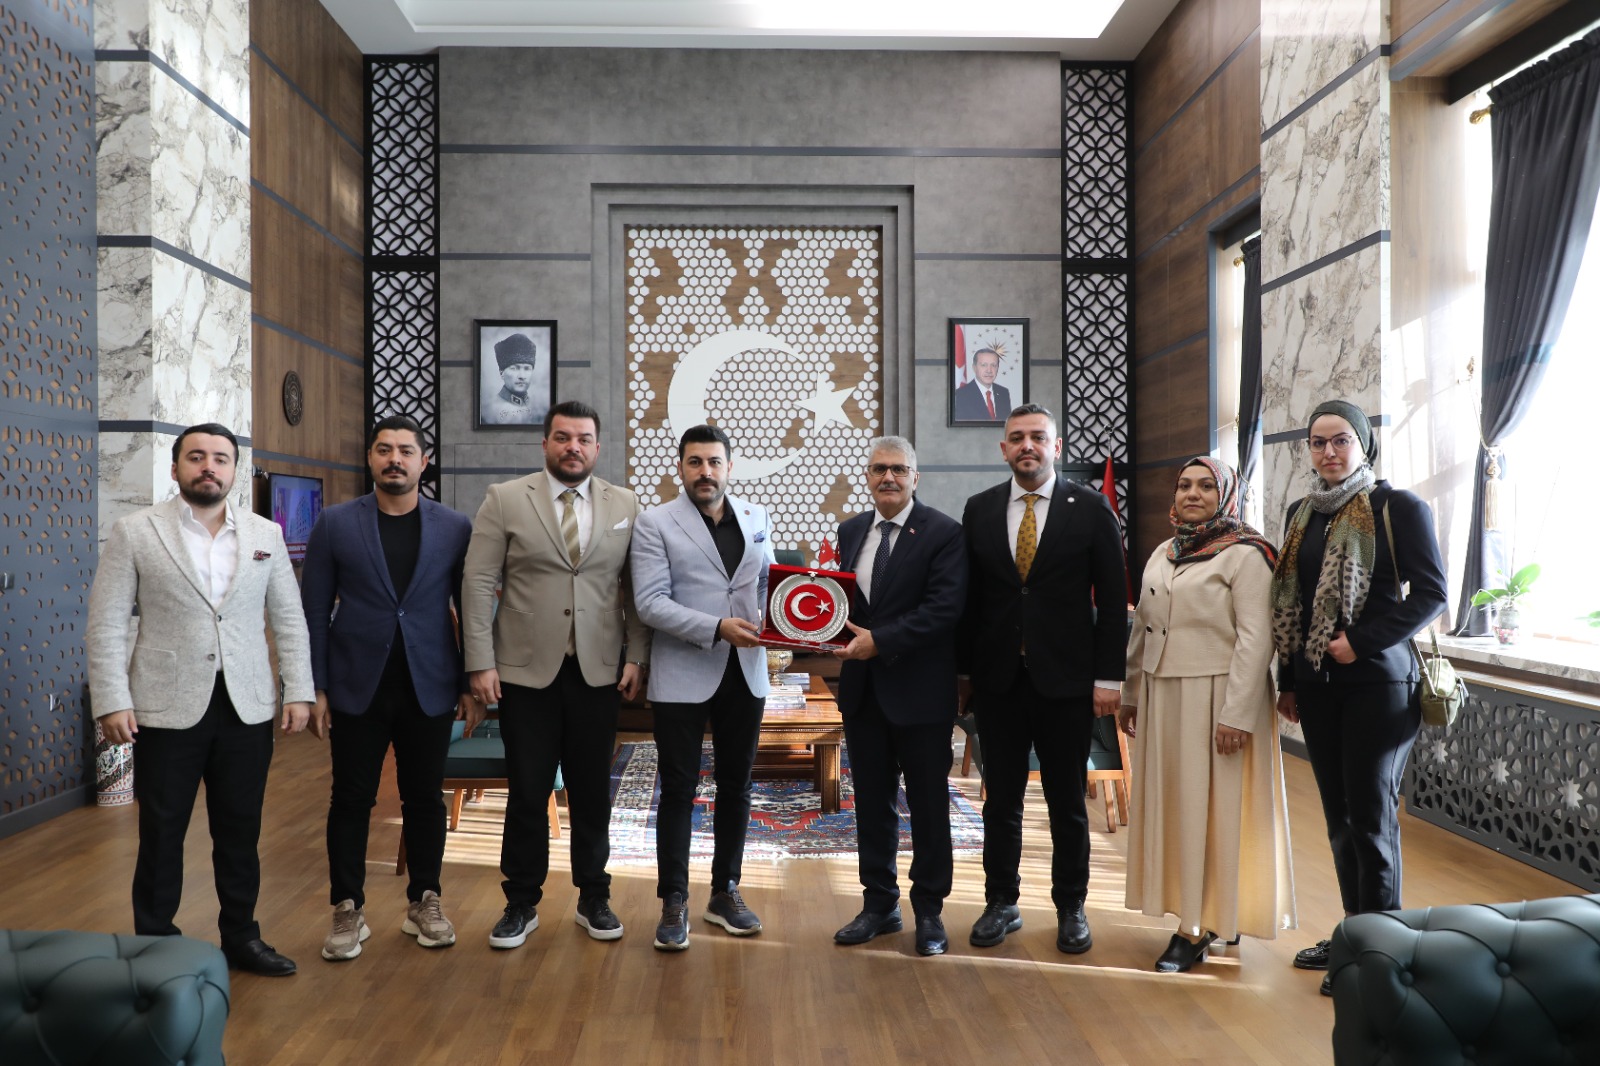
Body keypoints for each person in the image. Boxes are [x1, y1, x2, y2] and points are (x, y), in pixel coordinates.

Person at [86, 423, 314, 976]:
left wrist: (299, 690)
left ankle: (241, 937)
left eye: (220, 458)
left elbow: (288, 619)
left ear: (235, 470)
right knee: (162, 831)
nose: (208, 466)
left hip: (246, 706)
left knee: (241, 830)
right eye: (196, 457)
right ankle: (156, 944)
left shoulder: (265, 533)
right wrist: (111, 700)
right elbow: (106, 622)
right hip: (165, 706)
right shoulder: (135, 531)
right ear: (176, 468)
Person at [1270, 400, 1447, 995]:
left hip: (1379, 685)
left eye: (1340, 440)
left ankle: (1380, 949)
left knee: (1371, 819)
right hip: (1319, 686)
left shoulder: (1397, 507)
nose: (1328, 452)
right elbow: (1292, 604)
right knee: (1339, 819)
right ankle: (1354, 931)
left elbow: (1432, 594)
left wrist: (1360, 642)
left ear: (1363, 443)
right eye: (1317, 442)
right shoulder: (1301, 514)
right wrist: (1289, 680)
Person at [461, 400, 649, 948]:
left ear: (597, 447)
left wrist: (636, 655)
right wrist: (479, 661)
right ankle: (520, 902)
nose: (573, 447)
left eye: (583, 439)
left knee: (591, 791)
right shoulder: (505, 498)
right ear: (544, 443)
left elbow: (634, 587)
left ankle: (594, 896)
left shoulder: (625, 502)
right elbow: (478, 582)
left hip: (599, 669)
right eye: (563, 437)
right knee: (527, 790)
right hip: (524, 672)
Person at [300, 415, 474, 961]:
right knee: (351, 798)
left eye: (405, 450)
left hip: (430, 684)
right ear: (371, 458)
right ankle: (347, 907)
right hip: (356, 685)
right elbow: (313, 612)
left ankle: (425, 900)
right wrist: (316, 687)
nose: (394, 459)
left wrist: (470, 682)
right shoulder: (335, 523)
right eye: (383, 449)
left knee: (424, 797)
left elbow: (469, 610)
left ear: (424, 461)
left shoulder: (454, 527)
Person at [959, 403, 1127, 953]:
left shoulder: (1092, 507)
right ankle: (1000, 902)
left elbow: (1113, 599)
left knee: (1067, 802)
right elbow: (970, 600)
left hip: (1068, 682)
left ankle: (1071, 906)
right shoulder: (980, 509)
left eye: (1037, 437)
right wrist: (964, 673)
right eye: (1016, 438)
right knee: (1000, 801)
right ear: (1003, 449)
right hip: (999, 681)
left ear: (1056, 447)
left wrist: (1110, 678)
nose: (1026, 445)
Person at [1119, 457, 1296, 972]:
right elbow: (1143, 625)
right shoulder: (1165, 550)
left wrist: (1236, 714)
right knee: (1181, 806)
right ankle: (1215, 913)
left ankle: (1195, 928)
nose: (1192, 494)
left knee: (1218, 809)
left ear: (1227, 495)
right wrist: (1131, 692)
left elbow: (1256, 639)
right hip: (1163, 695)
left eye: (1206, 486)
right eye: (1184, 485)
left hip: (1220, 697)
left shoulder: (1247, 553)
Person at [630, 424, 775, 951]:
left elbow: (767, 583)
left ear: (729, 467)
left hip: (747, 670)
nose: (705, 472)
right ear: (681, 467)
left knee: (737, 786)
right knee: (678, 789)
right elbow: (650, 602)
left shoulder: (756, 517)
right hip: (682, 672)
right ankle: (673, 900)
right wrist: (716, 627)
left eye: (714, 462)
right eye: (695, 462)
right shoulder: (655, 523)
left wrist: (785, 619)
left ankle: (725, 891)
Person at [831, 437, 968, 956]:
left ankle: (929, 911)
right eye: (878, 469)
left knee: (929, 807)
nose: (887, 477)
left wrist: (880, 642)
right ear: (867, 476)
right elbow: (843, 603)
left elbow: (944, 609)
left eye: (898, 469)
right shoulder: (850, 531)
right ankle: (879, 905)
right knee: (872, 804)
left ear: (915, 476)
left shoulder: (944, 532)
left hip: (921, 693)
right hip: (864, 694)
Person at [483, 332, 545, 425]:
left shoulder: (540, 408)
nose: (522, 376)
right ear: (501, 373)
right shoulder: (489, 411)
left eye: (527, 368)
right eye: (514, 368)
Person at [952, 348, 1012, 422]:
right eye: (984, 365)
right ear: (974, 368)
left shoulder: (1003, 393)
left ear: (997, 368)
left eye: (993, 365)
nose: (989, 370)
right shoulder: (960, 395)